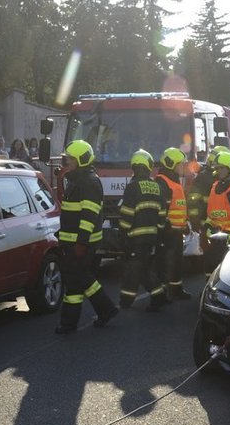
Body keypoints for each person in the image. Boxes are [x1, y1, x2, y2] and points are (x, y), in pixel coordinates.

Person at [55, 140, 118, 334]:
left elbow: (88, 216)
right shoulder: (77, 179)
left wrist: (81, 242)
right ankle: (106, 310)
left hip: (81, 242)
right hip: (74, 241)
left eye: (72, 160)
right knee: (82, 278)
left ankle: (70, 323)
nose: (69, 163)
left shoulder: (88, 182)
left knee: (74, 282)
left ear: (82, 160)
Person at [118, 149, 169, 311]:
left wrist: (123, 233)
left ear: (134, 167)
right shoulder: (157, 186)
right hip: (152, 236)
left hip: (135, 237)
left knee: (133, 269)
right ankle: (159, 296)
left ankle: (126, 301)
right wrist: (158, 231)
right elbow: (162, 214)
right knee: (144, 268)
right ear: (148, 167)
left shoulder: (132, 187)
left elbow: (127, 213)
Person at [155, 147, 191, 300]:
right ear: (172, 165)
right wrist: (166, 227)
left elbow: (179, 206)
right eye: (181, 164)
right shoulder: (163, 183)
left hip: (177, 231)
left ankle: (176, 290)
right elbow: (161, 209)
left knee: (176, 262)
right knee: (164, 263)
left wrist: (186, 222)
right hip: (167, 232)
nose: (184, 167)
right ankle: (163, 294)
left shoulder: (174, 181)